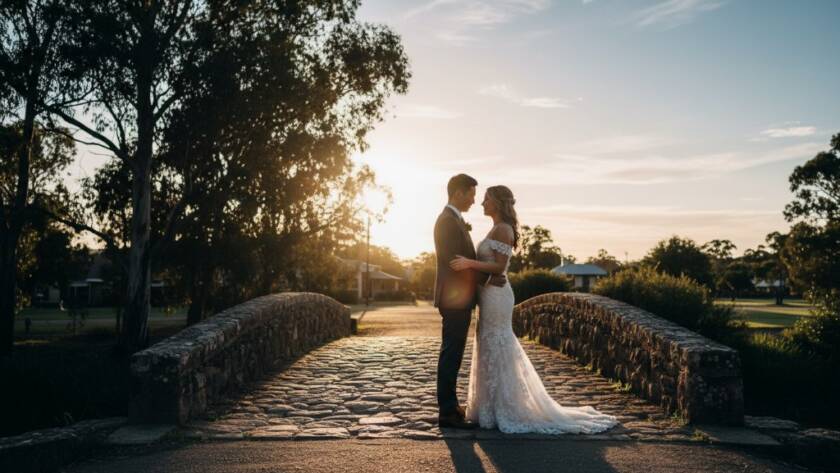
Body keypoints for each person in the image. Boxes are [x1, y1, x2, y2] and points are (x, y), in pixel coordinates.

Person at [449, 185, 619, 434]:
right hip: (488, 294)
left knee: (498, 342)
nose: (482, 203)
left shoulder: (504, 229)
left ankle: (508, 407)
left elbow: (499, 268)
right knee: (486, 343)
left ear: (497, 202)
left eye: (485, 199)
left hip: (497, 296)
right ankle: (488, 407)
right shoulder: (495, 228)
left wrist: (467, 264)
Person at [433, 173, 505, 429]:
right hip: (454, 299)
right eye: (472, 195)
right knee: (451, 353)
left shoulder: (453, 220)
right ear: (458, 193)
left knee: (453, 352)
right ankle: (447, 412)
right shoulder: (447, 222)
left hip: (458, 298)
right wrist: (487, 279)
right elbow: (456, 264)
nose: (474, 201)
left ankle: (450, 407)